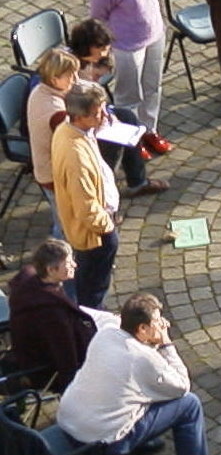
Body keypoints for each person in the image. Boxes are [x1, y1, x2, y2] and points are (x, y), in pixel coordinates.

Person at [57, 293, 217, 455]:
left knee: (137, 394)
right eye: (158, 322)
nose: (162, 325)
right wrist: (166, 343)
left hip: (68, 423)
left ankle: (142, 444)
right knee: (190, 404)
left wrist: (151, 339)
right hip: (102, 442)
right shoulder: (145, 359)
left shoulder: (105, 334)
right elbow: (181, 386)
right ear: (142, 328)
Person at [91, 0, 173, 156]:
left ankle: (150, 130)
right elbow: (98, 15)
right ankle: (133, 141)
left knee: (152, 87)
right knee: (129, 96)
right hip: (127, 45)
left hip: (154, 35)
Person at [68, 18, 168, 198]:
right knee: (110, 142)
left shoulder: (85, 61)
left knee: (127, 118)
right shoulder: (69, 69)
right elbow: (72, 107)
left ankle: (137, 182)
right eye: (102, 48)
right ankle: (101, 193)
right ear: (88, 47)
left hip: (85, 112)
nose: (105, 53)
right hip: (72, 122)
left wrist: (106, 112)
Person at [51, 82, 119, 309]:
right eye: (97, 113)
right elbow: (86, 209)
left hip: (95, 227)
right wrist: (107, 225)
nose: (103, 117)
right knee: (93, 290)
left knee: (91, 284)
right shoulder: (75, 158)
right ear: (79, 116)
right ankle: (91, 327)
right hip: (95, 235)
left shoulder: (69, 128)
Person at [7, 239, 96, 392]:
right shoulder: (52, 313)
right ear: (51, 270)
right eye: (68, 263)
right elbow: (66, 357)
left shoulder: (29, 284)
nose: (74, 265)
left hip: (27, 355)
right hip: (46, 370)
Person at [26, 47, 79, 240]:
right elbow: (73, 143)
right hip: (55, 174)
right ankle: (62, 257)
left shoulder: (42, 89)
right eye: (70, 76)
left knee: (63, 218)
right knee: (67, 221)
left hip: (48, 168)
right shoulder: (55, 112)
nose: (75, 80)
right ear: (55, 78)